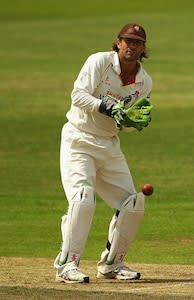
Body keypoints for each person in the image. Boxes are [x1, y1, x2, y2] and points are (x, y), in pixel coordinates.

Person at [54, 23, 153, 283]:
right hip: (79, 139)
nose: (131, 46)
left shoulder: (144, 82)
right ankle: (68, 265)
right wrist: (105, 105)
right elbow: (77, 95)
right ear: (118, 43)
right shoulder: (99, 62)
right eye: (126, 41)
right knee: (83, 198)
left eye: (137, 42)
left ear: (143, 48)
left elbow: (125, 123)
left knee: (133, 204)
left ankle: (112, 264)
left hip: (109, 144)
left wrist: (132, 122)